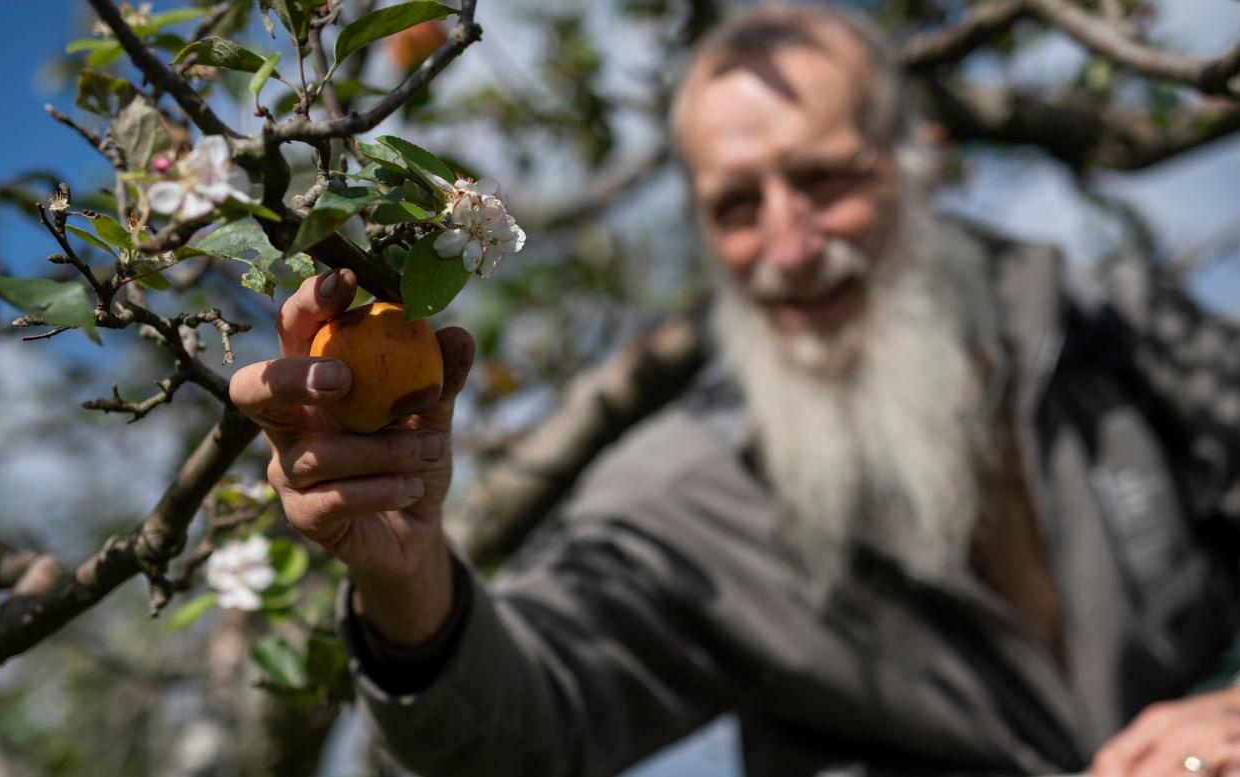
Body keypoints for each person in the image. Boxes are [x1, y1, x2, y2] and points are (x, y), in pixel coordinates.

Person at [229, 4, 1240, 775]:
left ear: (919, 165)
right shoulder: (691, 493)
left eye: (828, 180)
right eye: (739, 206)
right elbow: (524, 730)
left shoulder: (1115, 325)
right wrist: (408, 585)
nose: (790, 248)